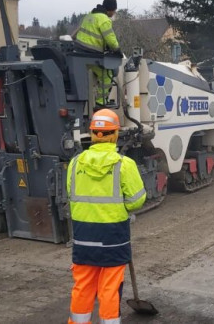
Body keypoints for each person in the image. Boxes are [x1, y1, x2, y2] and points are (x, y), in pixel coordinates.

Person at [66, 109, 147, 324]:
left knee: (82, 286)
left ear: (93, 134)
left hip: (83, 236)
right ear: (115, 134)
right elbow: (137, 200)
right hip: (113, 237)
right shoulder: (124, 164)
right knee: (110, 288)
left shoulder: (75, 163)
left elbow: (71, 194)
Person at [75, 0, 121, 106]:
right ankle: (101, 102)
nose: (114, 13)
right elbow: (110, 38)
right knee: (107, 74)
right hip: (91, 54)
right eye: (114, 11)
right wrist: (117, 50)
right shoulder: (104, 19)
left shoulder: (89, 16)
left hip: (79, 52)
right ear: (111, 10)